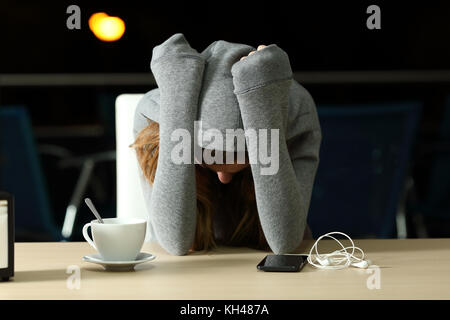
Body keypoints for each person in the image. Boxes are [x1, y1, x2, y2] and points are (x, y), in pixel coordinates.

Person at [132, 33, 321, 255]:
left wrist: (261, 108)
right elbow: (176, 242)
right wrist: (178, 105)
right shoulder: (154, 120)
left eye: (246, 158)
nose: (223, 178)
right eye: (207, 159)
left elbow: (284, 242)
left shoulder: (297, 116)